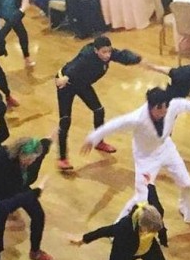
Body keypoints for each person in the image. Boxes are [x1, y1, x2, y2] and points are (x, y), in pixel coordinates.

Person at [81, 87, 190, 223]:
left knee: (187, 184)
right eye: (161, 109)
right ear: (152, 107)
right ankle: (118, 228)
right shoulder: (136, 118)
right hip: (146, 159)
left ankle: (185, 209)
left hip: (167, 149)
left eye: (166, 107)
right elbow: (114, 124)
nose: (165, 111)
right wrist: (92, 138)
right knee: (141, 197)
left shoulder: (171, 105)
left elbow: (185, 103)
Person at [55, 36, 142, 171]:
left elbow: (123, 56)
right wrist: (65, 78)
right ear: (96, 51)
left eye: (109, 51)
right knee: (65, 120)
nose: (107, 55)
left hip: (82, 84)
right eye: (104, 52)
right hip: (66, 84)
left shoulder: (109, 53)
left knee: (99, 110)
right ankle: (62, 158)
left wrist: (138, 59)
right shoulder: (86, 55)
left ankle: (99, 141)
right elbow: (75, 66)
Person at [0, 135, 55, 260]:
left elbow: (44, 144)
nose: (31, 162)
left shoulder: (36, 155)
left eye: (34, 159)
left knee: (38, 215)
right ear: (19, 153)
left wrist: (51, 137)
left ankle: (35, 252)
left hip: (18, 186)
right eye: (28, 159)